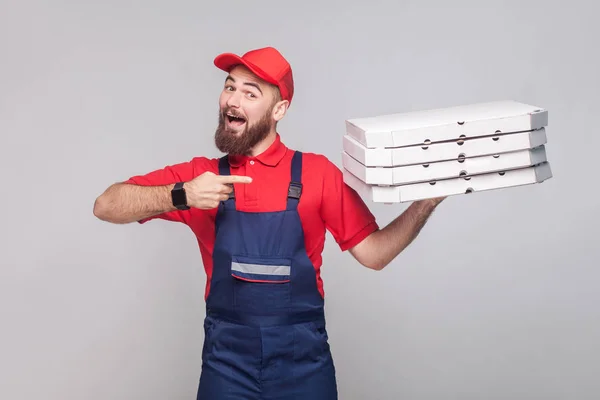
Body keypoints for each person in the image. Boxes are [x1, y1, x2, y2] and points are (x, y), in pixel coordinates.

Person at [93, 46, 444, 400]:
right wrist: (183, 194)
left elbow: (375, 254)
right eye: (230, 87)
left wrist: (427, 200)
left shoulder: (317, 174)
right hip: (226, 366)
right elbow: (106, 205)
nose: (234, 101)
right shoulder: (202, 176)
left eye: (250, 93)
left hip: (303, 366)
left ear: (279, 110)